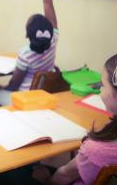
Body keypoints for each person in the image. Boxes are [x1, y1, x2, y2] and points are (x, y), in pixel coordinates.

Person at [32, 54, 117, 185]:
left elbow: (64, 175)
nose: (100, 90)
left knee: (15, 172)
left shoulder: (96, 150)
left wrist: (45, 179)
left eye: (103, 85)